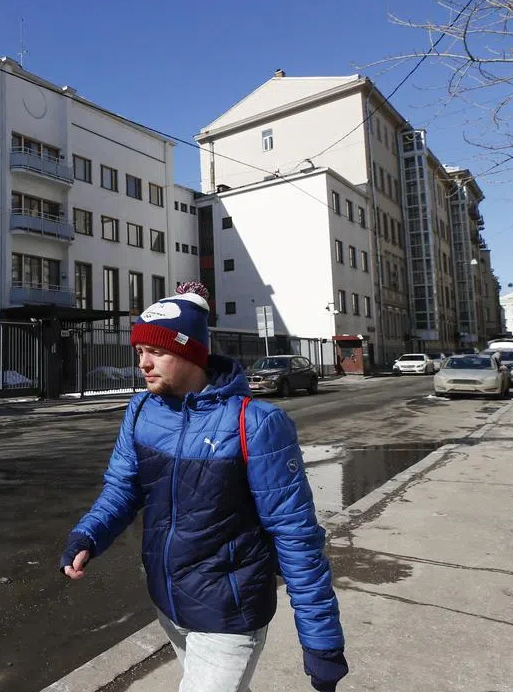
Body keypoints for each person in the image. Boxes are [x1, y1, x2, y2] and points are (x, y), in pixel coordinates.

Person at [60, 282, 348, 692]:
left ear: (191, 353)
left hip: (229, 614)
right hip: (169, 604)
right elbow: (122, 488)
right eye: (139, 351)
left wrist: (321, 641)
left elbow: (295, 534)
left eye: (156, 351)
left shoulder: (255, 424)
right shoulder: (141, 411)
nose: (143, 363)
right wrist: (89, 534)